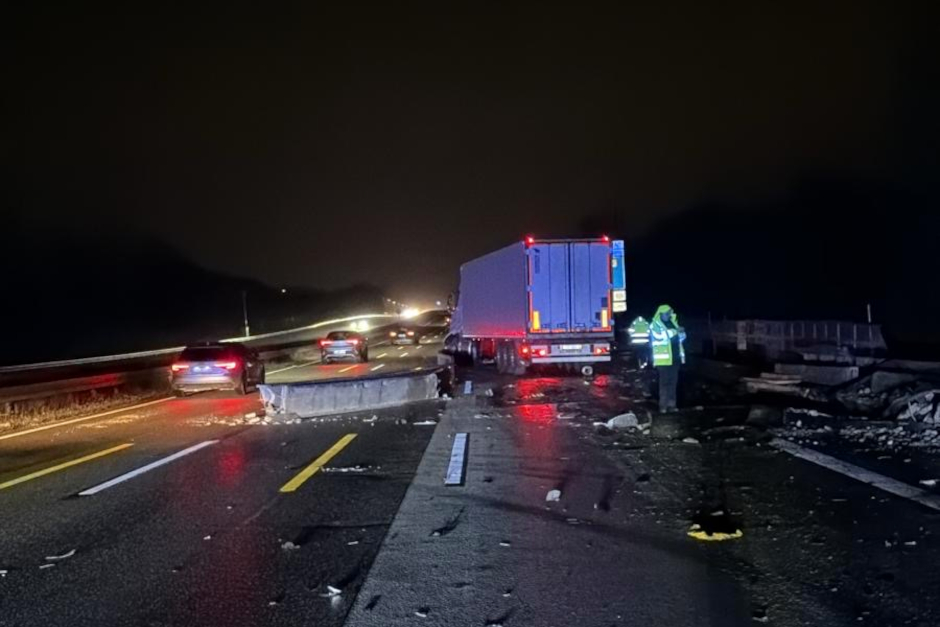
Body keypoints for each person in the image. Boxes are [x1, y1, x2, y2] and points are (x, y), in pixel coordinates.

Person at [649, 304, 686, 412]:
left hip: (675, 358)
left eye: (669, 313)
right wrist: (676, 331)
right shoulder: (655, 325)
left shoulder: (673, 323)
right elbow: (661, 336)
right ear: (660, 314)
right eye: (666, 313)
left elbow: (681, 339)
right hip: (663, 360)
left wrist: (682, 333)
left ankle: (672, 405)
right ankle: (663, 406)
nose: (668, 315)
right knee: (664, 383)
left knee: (673, 383)